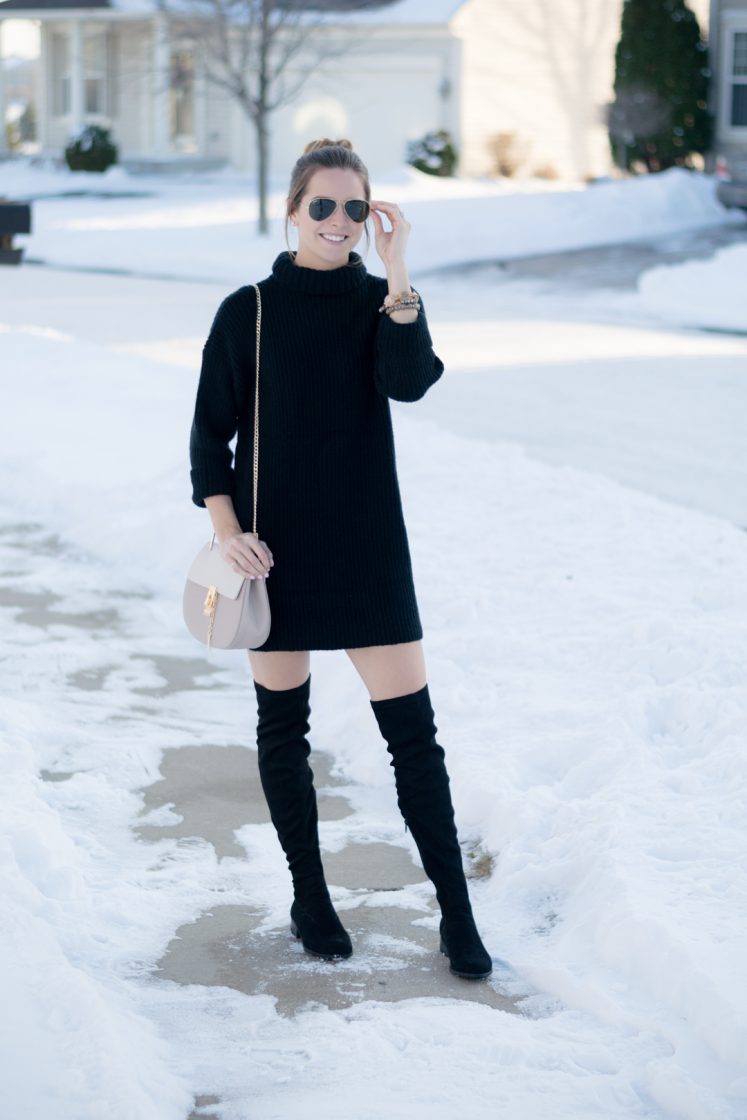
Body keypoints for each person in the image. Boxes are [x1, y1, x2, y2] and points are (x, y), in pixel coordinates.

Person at [189, 138, 492, 980]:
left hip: (365, 548)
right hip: (272, 554)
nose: (336, 222)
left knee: (413, 740)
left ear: (370, 216)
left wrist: (397, 279)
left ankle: (457, 916)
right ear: (291, 211)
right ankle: (310, 897)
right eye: (320, 206)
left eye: (353, 209)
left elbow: (407, 384)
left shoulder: (378, 302)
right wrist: (227, 531)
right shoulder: (246, 310)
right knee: (284, 731)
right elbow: (208, 439)